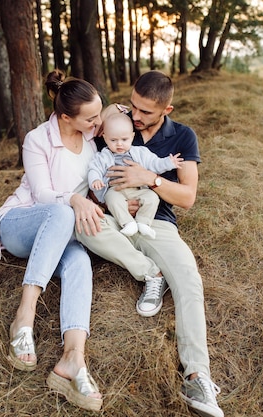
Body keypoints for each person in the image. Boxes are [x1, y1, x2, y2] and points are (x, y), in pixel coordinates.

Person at [76, 70, 224, 417]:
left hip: (156, 221)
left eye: (145, 112)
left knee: (188, 279)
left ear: (167, 110)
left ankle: (197, 376)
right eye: (132, 106)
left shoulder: (183, 138)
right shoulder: (116, 124)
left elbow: (187, 196)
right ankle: (149, 273)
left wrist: (151, 179)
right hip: (115, 215)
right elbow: (93, 173)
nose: (136, 117)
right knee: (83, 226)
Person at [0, 69, 106, 412]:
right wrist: (74, 200)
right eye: (91, 118)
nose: (97, 122)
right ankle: (24, 316)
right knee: (60, 213)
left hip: (64, 229)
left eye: (99, 113)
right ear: (65, 117)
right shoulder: (37, 139)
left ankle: (73, 360)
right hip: (23, 224)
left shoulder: (90, 136)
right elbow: (42, 194)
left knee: (80, 262)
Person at [88, 111, 183, 239]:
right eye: (113, 140)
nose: (119, 144)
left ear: (132, 137)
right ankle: (128, 223)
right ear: (105, 138)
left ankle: (143, 222)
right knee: (111, 199)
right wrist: (95, 179)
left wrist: (168, 162)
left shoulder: (140, 153)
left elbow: (154, 163)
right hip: (115, 190)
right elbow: (94, 169)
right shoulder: (103, 156)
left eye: (124, 139)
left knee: (152, 197)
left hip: (137, 190)